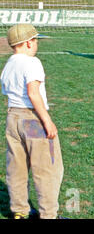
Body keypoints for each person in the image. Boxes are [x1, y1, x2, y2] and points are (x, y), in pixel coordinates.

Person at [1, 24, 64, 219]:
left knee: (17, 167)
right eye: (36, 40)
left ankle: (20, 211)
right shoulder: (32, 62)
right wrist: (47, 120)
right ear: (28, 43)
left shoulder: (9, 64)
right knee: (47, 169)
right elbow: (33, 93)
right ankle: (48, 215)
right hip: (32, 119)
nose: (37, 44)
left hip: (13, 118)